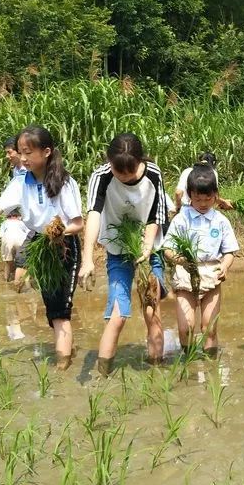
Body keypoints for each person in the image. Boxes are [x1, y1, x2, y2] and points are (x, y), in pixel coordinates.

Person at [0, 126, 85, 370]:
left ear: (46, 152)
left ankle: (62, 366)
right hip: (39, 243)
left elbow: (78, 224)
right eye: (20, 152)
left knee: (61, 311)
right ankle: (65, 354)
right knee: (51, 309)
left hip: (63, 247)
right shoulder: (20, 183)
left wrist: (57, 232)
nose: (23, 158)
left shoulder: (64, 182)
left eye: (28, 152)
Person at [78, 132, 169, 376]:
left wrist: (148, 247)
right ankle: (102, 375)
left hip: (149, 247)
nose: (125, 177)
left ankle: (157, 373)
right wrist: (87, 260)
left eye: (130, 173)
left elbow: (156, 215)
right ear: (110, 163)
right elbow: (94, 213)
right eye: (120, 172)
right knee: (118, 314)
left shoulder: (153, 174)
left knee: (152, 310)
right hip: (118, 250)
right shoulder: (101, 176)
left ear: (141, 162)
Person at [164, 165, 239, 357]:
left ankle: (210, 366)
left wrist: (224, 266)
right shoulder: (181, 219)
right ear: (189, 196)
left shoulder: (220, 221)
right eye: (198, 199)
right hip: (186, 274)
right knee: (186, 327)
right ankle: (188, 358)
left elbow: (230, 251)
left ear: (216, 195)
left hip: (212, 275)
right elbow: (168, 249)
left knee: (209, 327)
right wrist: (181, 260)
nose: (203, 203)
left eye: (208, 199)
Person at [0, 209, 29, 282]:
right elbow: (28, 233)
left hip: (7, 240)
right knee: (24, 263)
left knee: (8, 263)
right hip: (21, 240)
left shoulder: (4, 223)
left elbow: (1, 236)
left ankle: (6, 280)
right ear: (18, 216)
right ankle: (26, 281)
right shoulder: (21, 223)